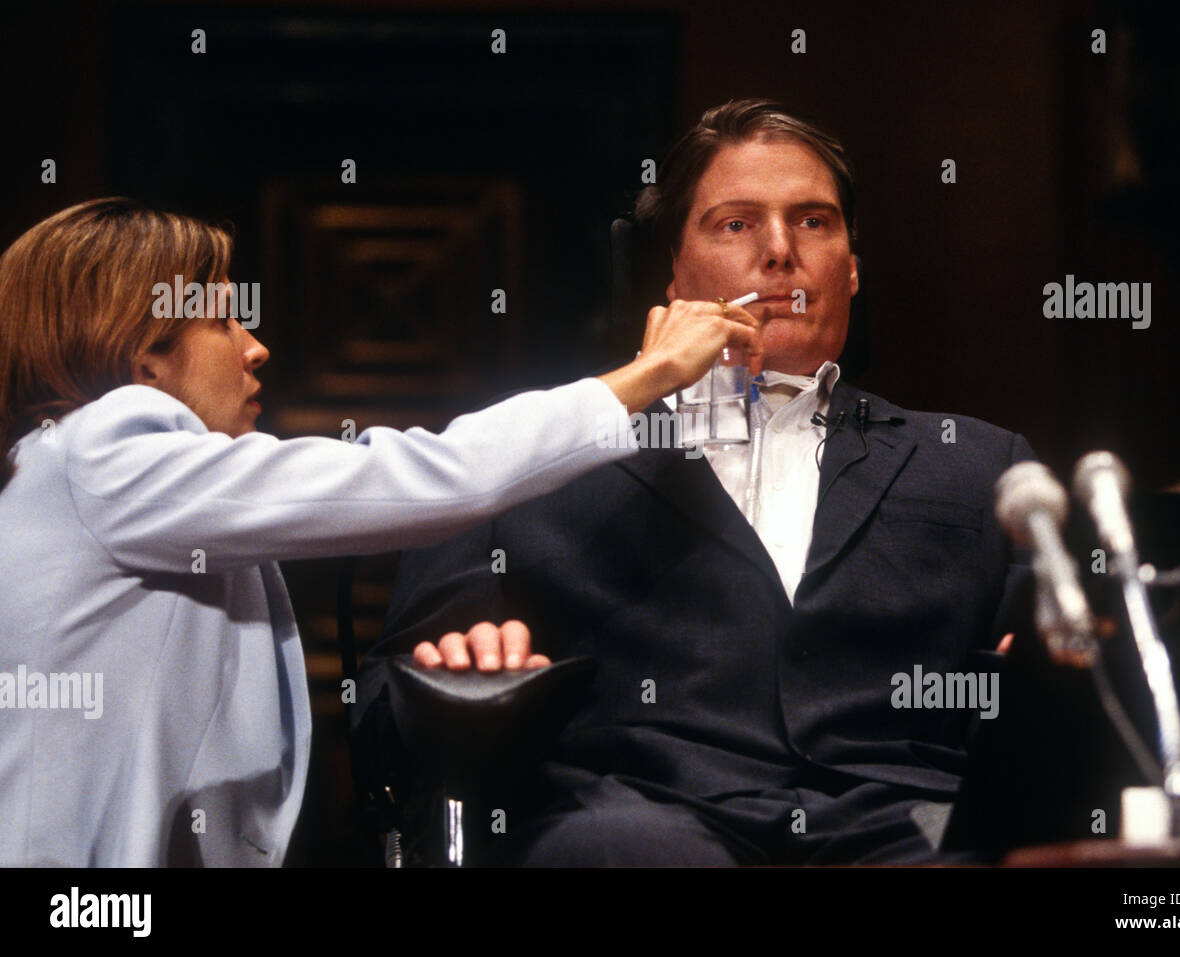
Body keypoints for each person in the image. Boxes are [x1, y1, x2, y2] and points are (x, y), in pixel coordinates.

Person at [358, 99, 1036, 865]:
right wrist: (455, 673)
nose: (781, 251)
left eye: (813, 221)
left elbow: (1062, 671)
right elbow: (384, 706)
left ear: (851, 267)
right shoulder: (533, 460)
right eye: (736, 223)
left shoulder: (980, 464)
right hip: (642, 815)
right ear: (673, 276)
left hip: (900, 821)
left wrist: (1044, 677)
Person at [0, 197, 760, 866]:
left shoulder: (90, 478)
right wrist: (649, 374)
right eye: (221, 318)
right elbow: (432, 477)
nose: (254, 346)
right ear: (144, 359)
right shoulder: (108, 446)